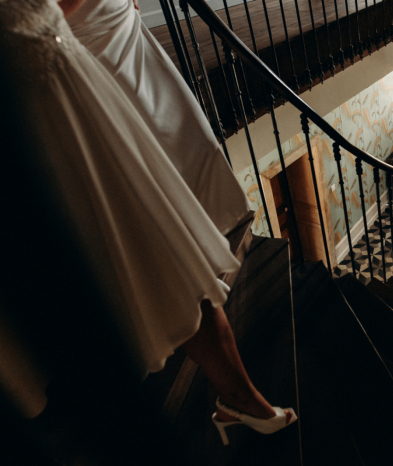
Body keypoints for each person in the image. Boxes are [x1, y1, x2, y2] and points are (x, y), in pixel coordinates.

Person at [2, 0, 296, 440]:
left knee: (151, 241)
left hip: (69, 79)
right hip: (48, 99)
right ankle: (229, 396)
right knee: (151, 259)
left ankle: (230, 394)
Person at [68, 0, 250, 237]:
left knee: (178, 120)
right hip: (87, 27)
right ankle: (184, 230)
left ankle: (222, 213)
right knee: (138, 132)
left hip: (119, 18)